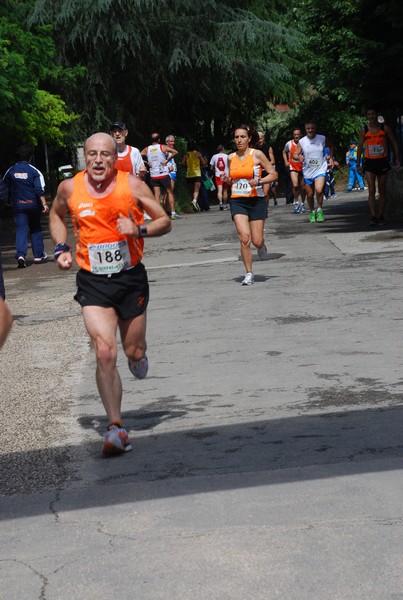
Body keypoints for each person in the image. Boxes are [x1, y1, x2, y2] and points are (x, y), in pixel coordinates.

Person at [49, 132, 172, 457]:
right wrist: (61, 248)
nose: (99, 160)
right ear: (84, 157)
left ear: (115, 156)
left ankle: (139, 356)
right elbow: (55, 214)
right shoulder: (70, 188)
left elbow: (164, 221)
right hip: (93, 281)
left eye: (105, 154)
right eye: (92, 154)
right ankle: (116, 427)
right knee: (104, 352)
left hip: (130, 279)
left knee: (132, 351)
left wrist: (139, 229)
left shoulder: (131, 185)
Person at [221, 124, 277, 286]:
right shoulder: (230, 157)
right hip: (238, 200)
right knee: (244, 238)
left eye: (242, 137)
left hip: (256, 200)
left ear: (249, 139)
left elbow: (273, 174)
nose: (239, 140)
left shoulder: (257, 155)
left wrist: (259, 181)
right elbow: (232, 180)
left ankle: (261, 246)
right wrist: (227, 180)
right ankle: (249, 273)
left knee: (257, 241)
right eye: (237, 137)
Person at [3, 144, 49, 267]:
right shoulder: (35, 171)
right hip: (33, 205)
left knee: (21, 229)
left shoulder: (11, 171)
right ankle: (38, 255)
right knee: (35, 228)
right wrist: (44, 204)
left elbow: (4, 187)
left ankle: (21, 255)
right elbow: (40, 189)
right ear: (30, 157)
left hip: (18, 206)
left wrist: (8, 201)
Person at [357, 108, 400, 226]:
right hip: (370, 162)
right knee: (371, 189)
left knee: (382, 189)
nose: (371, 116)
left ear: (376, 115)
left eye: (373, 114)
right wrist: (358, 163)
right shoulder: (364, 130)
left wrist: (397, 158)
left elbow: (394, 141)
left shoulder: (384, 128)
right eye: (369, 114)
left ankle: (381, 215)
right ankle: (373, 215)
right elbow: (360, 146)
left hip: (382, 161)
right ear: (367, 116)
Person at [293, 122, 333, 223]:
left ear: (315, 129)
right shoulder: (302, 141)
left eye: (312, 128)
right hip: (308, 170)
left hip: (320, 168)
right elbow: (294, 154)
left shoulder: (322, 138)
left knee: (319, 190)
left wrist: (331, 158)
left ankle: (319, 210)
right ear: (305, 130)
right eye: (308, 129)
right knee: (309, 194)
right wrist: (299, 157)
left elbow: (331, 146)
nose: (310, 130)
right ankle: (312, 211)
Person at [141, 133, 179, 219]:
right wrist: (167, 160)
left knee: (157, 195)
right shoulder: (162, 147)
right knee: (169, 192)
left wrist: (147, 163)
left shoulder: (147, 149)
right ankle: (173, 213)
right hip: (164, 174)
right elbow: (175, 152)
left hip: (154, 175)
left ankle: (158, 215)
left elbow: (139, 155)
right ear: (158, 140)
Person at [282, 129, 306, 214]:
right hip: (293, 167)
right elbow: (284, 152)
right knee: (295, 185)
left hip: (303, 167)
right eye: (295, 134)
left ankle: (302, 203)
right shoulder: (289, 143)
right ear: (293, 135)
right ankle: (296, 202)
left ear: (300, 135)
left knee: (303, 187)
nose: (296, 136)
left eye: (298, 134)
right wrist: (286, 161)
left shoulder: (304, 143)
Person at [181, 142, 207, 211]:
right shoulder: (198, 154)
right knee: (196, 190)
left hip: (189, 174)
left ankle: (194, 204)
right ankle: (195, 201)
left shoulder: (186, 155)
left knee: (192, 190)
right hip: (197, 174)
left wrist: (187, 165)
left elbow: (183, 163)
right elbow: (204, 163)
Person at [256, 131, 277, 208]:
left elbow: (273, 161)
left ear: (263, 138)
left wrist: (264, 164)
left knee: (265, 192)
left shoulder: (268, 148)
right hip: (257, 173)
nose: (260, 140)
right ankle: (259, 208)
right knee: (258, 193)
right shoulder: (254, 149)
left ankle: (265, 208)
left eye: (261, 138)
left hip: (266, 172)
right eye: (258, 139)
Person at [209, 145, 229, 210]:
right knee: (225, 190)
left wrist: (215, 170)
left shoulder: (214, 156)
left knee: (219, 190)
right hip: (226, 175)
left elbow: (211, 167)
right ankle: (225, 205)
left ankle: (220, 203)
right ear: (223, 149)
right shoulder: (227, 156)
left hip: (218, 175)